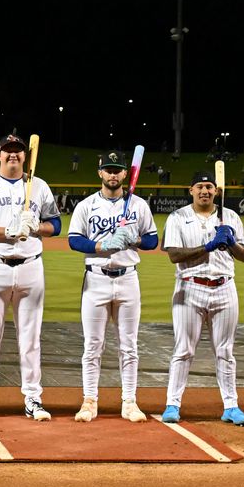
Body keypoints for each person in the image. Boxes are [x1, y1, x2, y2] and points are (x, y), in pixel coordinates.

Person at [0, 133, 62, 421]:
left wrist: (37, 228)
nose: (13, 155)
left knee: (31, 338)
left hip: (30, 266)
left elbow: (55, 224)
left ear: (24, 156)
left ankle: (33, 398)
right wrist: (7, 231)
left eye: (18, 151)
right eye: (8, 151)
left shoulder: (39, 186)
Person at [66, 152, 159, 422]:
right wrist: (101, 246)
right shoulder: (86, 206)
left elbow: (153, 241)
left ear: (124, 175)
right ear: (100, 173)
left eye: (117, 170)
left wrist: (134, 238)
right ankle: (89, 400)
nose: (113, 175)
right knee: (92, 345)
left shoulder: (138, 205)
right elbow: (74, 240)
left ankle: (129, 401)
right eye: (108, 170)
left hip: (128, 279)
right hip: (96, 279)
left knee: (129, 346)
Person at [160, 171, 244, 426]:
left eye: (209, 187)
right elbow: (174, 255)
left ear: (216, 191)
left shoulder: (230, 216)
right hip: (190, 288)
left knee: (225, 351)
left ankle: (231, 406)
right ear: (191, 190)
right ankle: (172, 404)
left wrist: (231, 242)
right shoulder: (178, 217)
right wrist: (209, 246)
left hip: (225, 288)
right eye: (199, 187)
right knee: (184, 350)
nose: (204, 191)